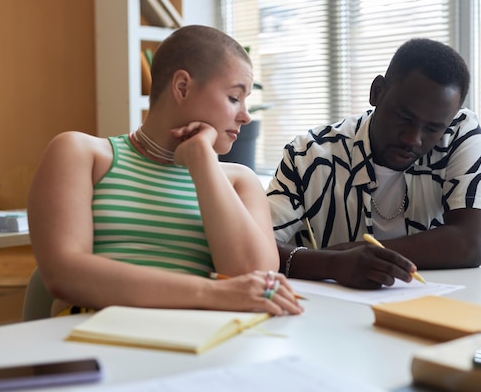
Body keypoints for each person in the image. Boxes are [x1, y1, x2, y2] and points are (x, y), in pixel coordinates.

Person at [28, 25, 303, 316]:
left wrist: (201, 160)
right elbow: (65, 275)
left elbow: (254, 279)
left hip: (198, 345)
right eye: (235, 97)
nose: (245, 116)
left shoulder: (238, 181)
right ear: (182, 87)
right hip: (89, 341)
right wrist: (211, 292)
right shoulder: (81, 153)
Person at [267, 38, 481, 289]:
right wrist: (333, 264)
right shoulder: (307, 156)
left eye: (432, 128)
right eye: (403, 117)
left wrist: (345, 254)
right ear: (377, 92)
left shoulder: (459, 132)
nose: (413, 139)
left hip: (430, 309)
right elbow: (253, 246)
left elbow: (468, 244)